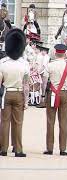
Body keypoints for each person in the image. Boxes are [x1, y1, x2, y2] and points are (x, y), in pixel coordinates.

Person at [42, 44, 67, 156]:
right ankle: (63, 148)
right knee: (63, 122)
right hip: (64, 93)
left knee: (50, 121)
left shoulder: (50, 65)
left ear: (55, 53)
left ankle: (50, 148)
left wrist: (43, 94)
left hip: (52, 92)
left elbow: (44, 81)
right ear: (65, 53)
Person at [0, 29, 29, 157]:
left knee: (4, 122)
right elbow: (26, 85)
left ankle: (3, 149)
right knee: (18, 122)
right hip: (19, 93)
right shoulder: (24, 64)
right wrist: (26, 100)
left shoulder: (2, 63)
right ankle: (18, 149)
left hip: (6, 93)